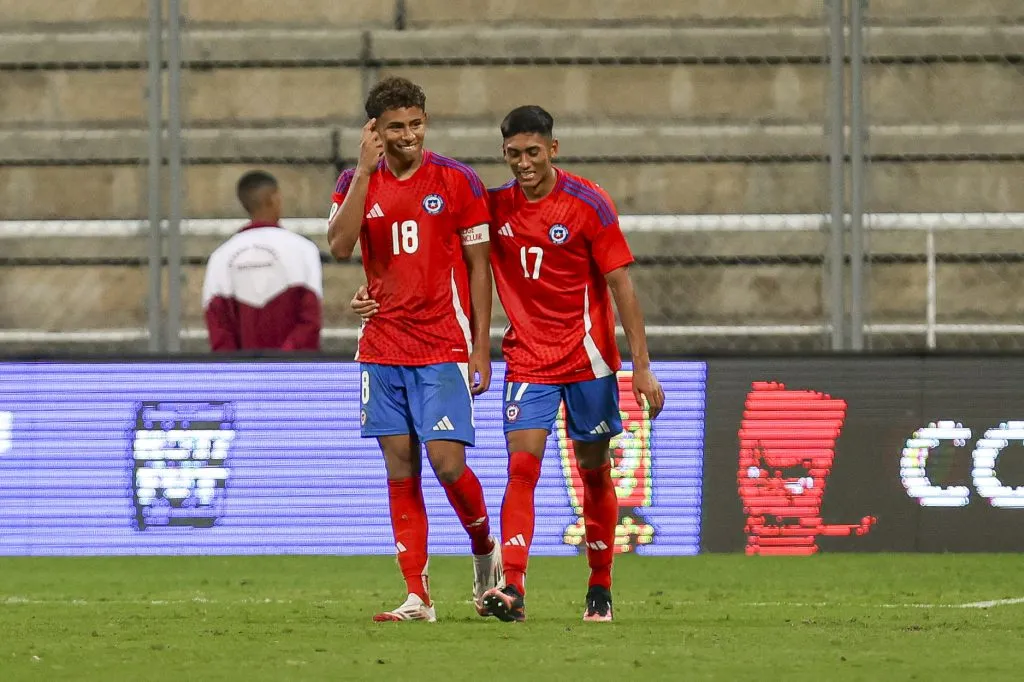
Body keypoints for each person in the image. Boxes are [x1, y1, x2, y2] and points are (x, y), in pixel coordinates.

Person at [353, 105, 666, 623]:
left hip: (589, 360)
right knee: (522, 469)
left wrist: (642, 366)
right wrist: (371, 291)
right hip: (527, 360)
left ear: (553, 150)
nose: (524, 163)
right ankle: (513, 586)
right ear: (504, 153)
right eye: (514, 154)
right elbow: (434, 248)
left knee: (592, 472)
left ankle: (600, 586)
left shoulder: (589, 204)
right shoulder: (493, 205)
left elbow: (621, 285)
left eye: (533, 153)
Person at [327, 76, 501, 623]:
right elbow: (338, 245)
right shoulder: (356, 181)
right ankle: (417, 596)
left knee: (448, 464)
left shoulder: (456, 181)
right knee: (399, 469)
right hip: (381, 346)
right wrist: (361, 171)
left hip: (442, 343)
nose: (409, 136)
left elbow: (479, 269)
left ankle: (484, 551)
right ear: (374, 130)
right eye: (396, 127)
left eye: (416, 124)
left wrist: (479, 346)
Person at [202, 170, 322, 352]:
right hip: (292, 373)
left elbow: (218, 327)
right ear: (274, 198)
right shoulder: (304, 250)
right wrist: (283, 360)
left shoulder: (221, 256)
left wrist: (236, 370)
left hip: (241, 375)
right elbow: (310, 321)